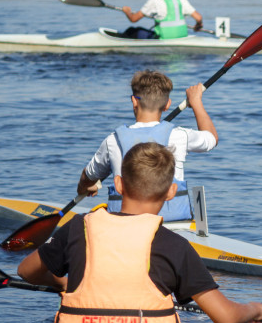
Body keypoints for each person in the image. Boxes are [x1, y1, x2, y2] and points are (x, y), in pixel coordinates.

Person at [18, 142, 262, 323]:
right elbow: (227, 318)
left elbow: (26, 271)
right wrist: (254, 309)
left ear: (118, 184)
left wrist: (63, 284)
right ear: (172, 192)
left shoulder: (78, 228)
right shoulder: (176, 246)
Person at [76, 70, 218, 222]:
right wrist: (196, 102)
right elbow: (212, 138)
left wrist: (85, 187)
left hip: (124, 224)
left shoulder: (113, 140)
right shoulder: (179, 135)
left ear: (134, 101)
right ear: (167, 105)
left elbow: (88, 175)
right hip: (173, 224)